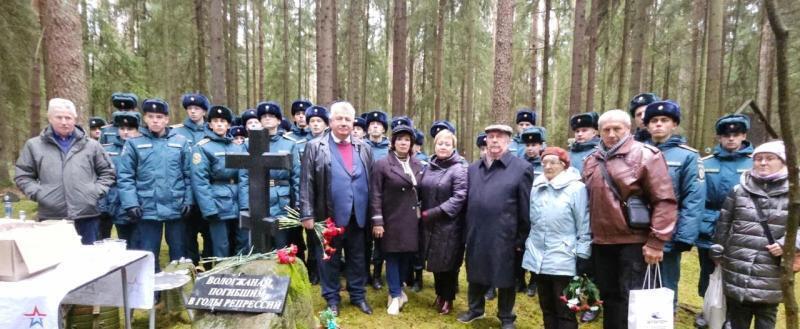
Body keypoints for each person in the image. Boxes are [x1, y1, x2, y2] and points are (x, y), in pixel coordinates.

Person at [582, 109, 677, 329]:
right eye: (606, 129)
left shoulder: (647, 155)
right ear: (599, 132)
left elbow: (664, 200)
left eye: (617, 128)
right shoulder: (591, 160)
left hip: (633, 241)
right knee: (609, 296)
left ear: (628, 129)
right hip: (601, 241)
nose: (611, 134)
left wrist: (656, 241)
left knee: (631, 298)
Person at [711, 140, 797, 329]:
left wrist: (786, 244)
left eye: (770, 158)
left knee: (766, 318)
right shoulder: (739, 190)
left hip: (772, 268)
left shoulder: (795, 193)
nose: (763, 162)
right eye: (758, 159)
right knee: (736, 317)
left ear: (783, 161)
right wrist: (717, 249)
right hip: (737, 264)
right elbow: (724, 224)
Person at [300, 101, 374, 316]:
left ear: (353, 122)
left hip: (358, 215)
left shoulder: (364, 147)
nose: (343, 123)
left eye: (347, 119)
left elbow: (371, 181)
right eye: (339, 118)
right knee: (329, 259)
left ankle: (358, 295)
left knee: (358, 257)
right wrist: (307, 213)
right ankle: (332, 299)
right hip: (328, 215)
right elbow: (306, 181)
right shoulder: (315, 146)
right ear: (330, 121)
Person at [457, 124, 533, 329]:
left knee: (506, 276)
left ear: (508, 141)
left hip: (505, 234)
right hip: (476, 231)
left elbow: (525, 207)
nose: (495, 140)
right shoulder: (473, 169)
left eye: (500, 136)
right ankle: (475, 308)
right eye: (491, 136)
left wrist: (521, 238)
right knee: (475, 270)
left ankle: (506, 316)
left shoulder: (521, 168)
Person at [14, 98, 115, 245]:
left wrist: (94, 192)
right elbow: (23, 175)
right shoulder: (34, 146)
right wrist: (39, 193)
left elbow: (108, 172)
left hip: (86, 215)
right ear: (50, 118)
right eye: (59, 117)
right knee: (54, 258)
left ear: (74, 119)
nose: (64, 122)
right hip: (51, 217)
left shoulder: (91, 146)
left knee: (88, 257)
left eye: (68, 118)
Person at [117, 99, 193, 272]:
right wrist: (131, 203)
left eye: (159, 117)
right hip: (147, 207)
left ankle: (179, 285)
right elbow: (125, 176)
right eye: (151, 117)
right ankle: (150, 286)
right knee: (148, 253)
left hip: (176, 206)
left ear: (166, 119)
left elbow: (189, 174)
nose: (155, 121)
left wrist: (189, 200)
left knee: (179, 252)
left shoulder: (180, 142)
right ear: (145, 118)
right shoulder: (134, 143)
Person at [643, 100, 704, 307]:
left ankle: (665, 319)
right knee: (637, 286)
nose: (658, 124)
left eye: (664, 120)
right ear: (647, 125)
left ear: (674, 124)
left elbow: (693, 199)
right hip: (637, 230)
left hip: (668, 233)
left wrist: (684, 237)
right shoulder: (637, 152)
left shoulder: (688, 156)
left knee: (665, 288)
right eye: (654, 121)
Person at [695, 114, 753, 328]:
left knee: (737, 274)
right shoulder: (705, 163)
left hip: (743, 227)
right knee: (708, 271)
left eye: (736, 134)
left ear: (744, 136)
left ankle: (731, 317)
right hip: (709, 226)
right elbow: (697, 197)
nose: (731, 138)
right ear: (719, 137)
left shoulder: (755, 163)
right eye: (726, 135)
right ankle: (708, 310)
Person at [523, 147, 591, 329]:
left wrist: (583, 253)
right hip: (539, 256)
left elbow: (584, 223)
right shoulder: (536, 187)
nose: (547, 166)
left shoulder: (577, 188)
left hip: (565, 257)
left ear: (564, 165)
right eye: (544, 162)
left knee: (566, 309)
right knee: (547, 307)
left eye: (553, 162)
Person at [370, 124, 424, 315]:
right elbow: (375, 194)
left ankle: (399, 291)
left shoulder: (418, 164)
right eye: (399, 139)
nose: (403, 143)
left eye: (407, 140)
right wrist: (377, 221)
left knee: (406, 256)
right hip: (391, 218)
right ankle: (394, 295)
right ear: (393, 142)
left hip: (412, 219)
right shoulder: (382, 164)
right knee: (392, 255)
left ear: (412, 143)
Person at [419, 129, 468, 315]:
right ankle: (439, 294)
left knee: (449, 263)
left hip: (449, 224)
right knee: (435, 261)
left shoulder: (459, 168)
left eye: (447, 144)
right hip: (429, 223)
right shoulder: (429, 166)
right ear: (435, 145)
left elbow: (460, 196)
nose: (443, 147)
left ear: (453, 147)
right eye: (440, 143)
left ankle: (448, 298)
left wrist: (436, 212)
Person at [191, 105, 249, 258]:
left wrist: (245, 205)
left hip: (238, 201)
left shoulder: (237, 147)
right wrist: (209, 209)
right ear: (210, 124)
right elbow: (200, 181)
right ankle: (222, 271)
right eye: (215, 121)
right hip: (217, 202)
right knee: (221, 245)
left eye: (223, 121)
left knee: (242, 241)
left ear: (229, 125)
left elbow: (244, 177)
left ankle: (241, 271)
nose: (219, 124)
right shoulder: (203, 148)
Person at [172, 93, 213, 269]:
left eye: (197, 108)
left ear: (204, 111)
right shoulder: (176, 132)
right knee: (188, 234)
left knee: (210, 233)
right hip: (186, 191)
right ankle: (191, 267)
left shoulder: (211, 130)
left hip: (208, 191)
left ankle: (209, 267)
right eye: (190, 108)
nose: (193, 112)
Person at [255, 101, 302, 250]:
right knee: (261, 246)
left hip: (282, 199)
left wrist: (298, 202)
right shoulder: (251, 143)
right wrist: (245, 205)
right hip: (258, 198)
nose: (267, 119)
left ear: (279, 121)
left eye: (271, 116)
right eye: (264, 116)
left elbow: (296, 175)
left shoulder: (290, 144)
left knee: (281, 244)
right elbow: (244, 177)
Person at [99, 113, 142, 246]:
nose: (125, 132)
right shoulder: (107, 150)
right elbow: (102, 177)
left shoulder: (143, 147)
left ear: (137, 130)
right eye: (122, 128)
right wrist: (103, 205)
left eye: (130, 129)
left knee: (140, 244)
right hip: (116, 204)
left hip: (141, 203)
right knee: (124, 242)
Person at [364, 110, 390, 289]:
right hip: (364, 199)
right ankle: (365, 273)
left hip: (383, 200)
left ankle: (377, 276)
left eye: (378, 125)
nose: (374, 127)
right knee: (364, 240)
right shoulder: (360, 146)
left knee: (380, 240)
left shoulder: (389, 149)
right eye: (372, 124)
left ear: (383, 129)